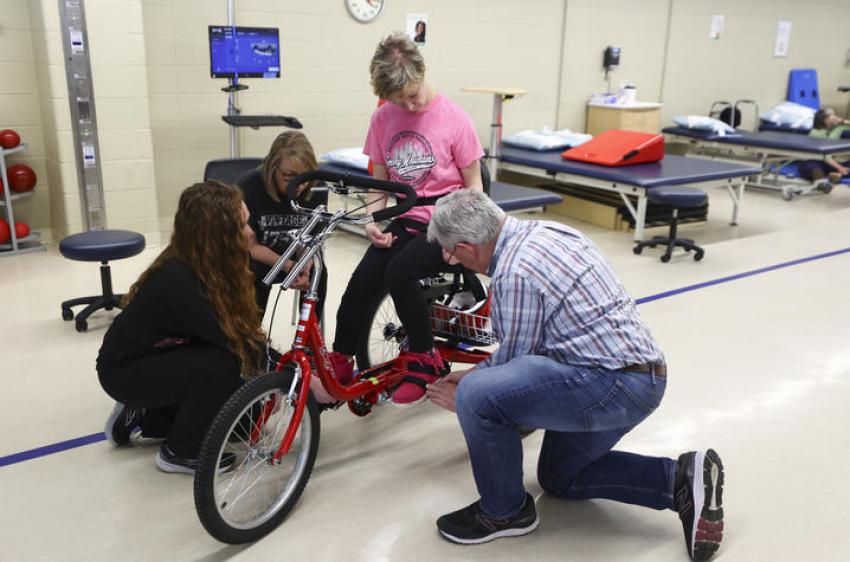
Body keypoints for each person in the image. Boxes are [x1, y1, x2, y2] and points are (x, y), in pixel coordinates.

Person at [424, 190, 725, 561]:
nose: (448, 259)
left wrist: (469, 395)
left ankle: (503, 512)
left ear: (468, 247)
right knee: (559, 478)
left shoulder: (514, 273)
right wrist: (478, 374)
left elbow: (516, 365)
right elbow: (524, 357)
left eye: (449, 251)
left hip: (610, 386)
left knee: (477, 397)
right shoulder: (548, 232)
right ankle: (678, 479)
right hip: (643, 376)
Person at [329, 32, 484, 405]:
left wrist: (462, 236)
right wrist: (373, 222)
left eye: (412, 95)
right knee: (361, 282)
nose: (409, 106)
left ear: (422, 72)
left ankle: (425, 356)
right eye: (399, 100)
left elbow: (475, 186)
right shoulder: (383, 119)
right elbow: (378, 183)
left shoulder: (455, 119)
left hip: (447, 220)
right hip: (403, 215)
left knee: (399, 271)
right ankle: (340, 362)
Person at [97, 181, 266, 474]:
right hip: (124, 370)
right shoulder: (179, 281)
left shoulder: (208, 262)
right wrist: (302, 375)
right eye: (242, 226)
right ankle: (179, 452)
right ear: (218, 235)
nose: (251, 232)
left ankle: (147, 415)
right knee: (222, 364)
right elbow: (236, 343)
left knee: (242, 424)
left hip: (160, 355)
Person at [236, 130, 327, 319]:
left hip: (296, 254)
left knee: (319, 272)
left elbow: (311, 240)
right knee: (254, 274)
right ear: (272, 168)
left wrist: (305, 264)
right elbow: (251, 246)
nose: (299, 186)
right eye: (289, 176)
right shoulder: (249, 186)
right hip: (260, 257)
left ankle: (308, 342)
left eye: (304, 177)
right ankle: (253, 339)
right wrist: (287, 266)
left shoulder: (317, 186)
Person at [799, 107, 850, 183]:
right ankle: (822, 181)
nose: (836, 117)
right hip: (820, 161)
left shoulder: (839, 127)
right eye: (832, 115)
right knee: (809, 166)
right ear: (825, 119)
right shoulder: (815, 133)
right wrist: (839, 167)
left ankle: (835, 175)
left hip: (836, 162)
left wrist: (843, 121)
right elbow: (826, 156)